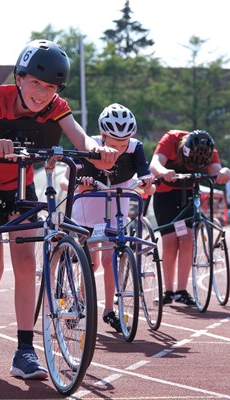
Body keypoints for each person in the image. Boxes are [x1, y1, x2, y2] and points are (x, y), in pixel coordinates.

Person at [0, 39, 116, 379]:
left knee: (26, 261)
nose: (42, 92)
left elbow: (80, 138)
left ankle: (24, 351)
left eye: (50, 87)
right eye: (36, 83)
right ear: (20, 78)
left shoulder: (57, 106)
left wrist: (99, 151)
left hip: (20, 187)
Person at [59, 103, 156, 332]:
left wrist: (148, 184)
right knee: (91, 261)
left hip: (117, 195)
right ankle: (79, 299)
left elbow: (146, 183)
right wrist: (77, 186)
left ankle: (109, 310)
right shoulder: (87, 146)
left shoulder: (135, 148)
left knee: (110, 257)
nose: (119, 150)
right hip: (90, 198)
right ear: (102, 136)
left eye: (123, 144)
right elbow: (64, 182)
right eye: (113, 144)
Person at [149, 130, 230, 306]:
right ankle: (168, 291)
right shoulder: (171, 139)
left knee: (187, 239)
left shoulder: (208, 148)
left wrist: (225, 172)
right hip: (166, 195)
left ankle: (181, 291)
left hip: (188, 193)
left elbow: (217, 170)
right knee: (170, 241)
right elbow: (155, 164)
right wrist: (164, 171)